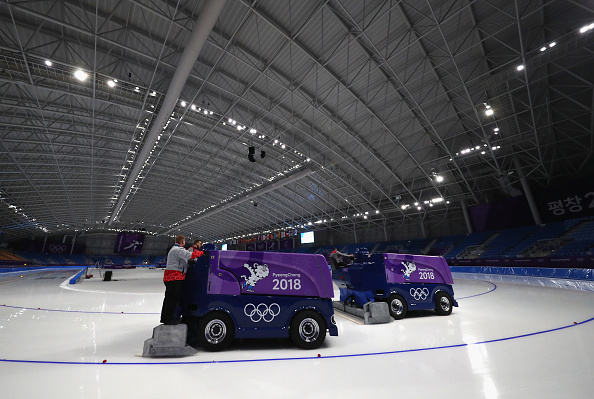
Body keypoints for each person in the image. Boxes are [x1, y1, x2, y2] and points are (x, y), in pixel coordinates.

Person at [160, 235, 200, 325]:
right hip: (174, 277)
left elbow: (184, 259)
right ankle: (168, 319)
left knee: (170, 299)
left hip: (171, 277)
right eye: (184, 241)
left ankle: (166, 317)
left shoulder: (175, 249)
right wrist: (203, 253)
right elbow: (190, 255)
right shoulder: (178, 250)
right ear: (182, 242)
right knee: (172, 299)